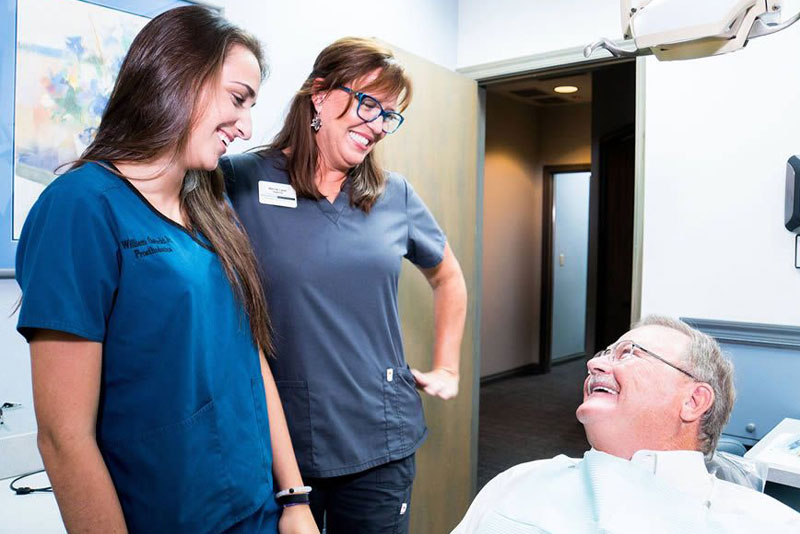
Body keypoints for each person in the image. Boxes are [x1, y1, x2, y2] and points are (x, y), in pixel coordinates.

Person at [15, 6, 318, 534]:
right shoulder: (81, 207)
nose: (246, 126)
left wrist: (293, 499)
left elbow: (251, 356)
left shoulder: (212, 209)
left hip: (257, 511)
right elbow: (64, 438)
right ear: (179, 76)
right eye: (238, 98)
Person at [221, 37, 468, 533]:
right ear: (319, 94)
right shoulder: (240, 180)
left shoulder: (391, 194)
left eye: (389, 116)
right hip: (282, 445)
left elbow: (448, 276)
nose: (377, 125)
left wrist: (447, 365)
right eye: (368, 103)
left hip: (381, 441)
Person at [452, 315, 800, 533]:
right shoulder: (517, 483)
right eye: (604, 353)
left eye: (628, 353)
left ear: (693, 401)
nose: (593, 364)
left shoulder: (767, 524)